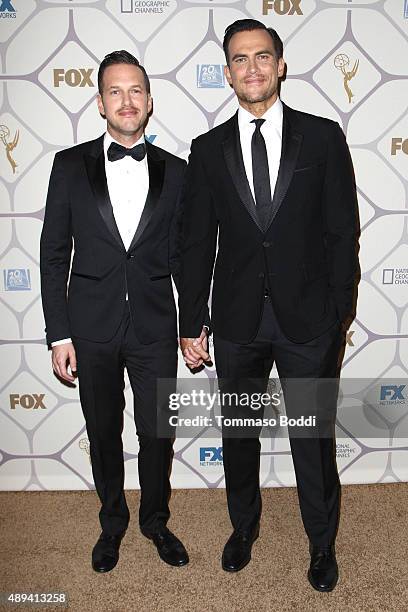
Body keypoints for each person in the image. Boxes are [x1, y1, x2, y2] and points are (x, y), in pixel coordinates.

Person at [179, 19, 359, 591]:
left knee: (313, 437)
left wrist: (339, 315)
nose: (251, 68)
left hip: (309, 321)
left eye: (262, 57)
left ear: (280, 65)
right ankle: (243, 528)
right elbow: (195, 242)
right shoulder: (206, 150)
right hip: (235, 323)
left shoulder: (324, 136)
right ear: (227, 71)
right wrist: (192, 321)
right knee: (239, 435)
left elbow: (341, 232)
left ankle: (321, 544)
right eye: (239, 59)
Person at [40, 50, 188, 573]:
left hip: (154, 328)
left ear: (150, 102)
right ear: (100, 102)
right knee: (103, 432)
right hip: (91, 329)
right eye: (115, 91)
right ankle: (112, 523)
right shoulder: (68, 164)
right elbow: (54, 253)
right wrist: (59, 334)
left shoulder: (178, 171)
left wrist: (193, 325)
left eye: (136, 91)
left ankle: (155, 520)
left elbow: (184, 258)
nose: (127, 101)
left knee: (158, 433)